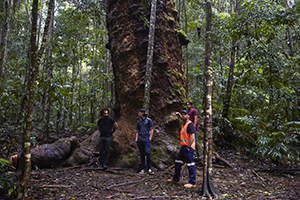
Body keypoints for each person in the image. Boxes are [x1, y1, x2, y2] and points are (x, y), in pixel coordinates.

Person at [168, 110, 196, 188]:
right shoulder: (184, 124)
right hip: (183, 147)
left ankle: (192, 182)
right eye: (182, 114)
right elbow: (182, 118)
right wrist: (178, 114)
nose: (183, 116)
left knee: (190, 164)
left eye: (185, 114)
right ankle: (176, 179)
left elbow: (192, 136)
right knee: (178, 162)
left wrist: (188, 146)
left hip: (188, 148)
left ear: (188, 116)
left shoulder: (189, 124)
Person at [135, 108, 154, 175]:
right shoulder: (139, 122)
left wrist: (150, 138)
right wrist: (136, 139)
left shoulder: (149, 121)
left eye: (139, 113)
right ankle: (143, 168)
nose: (138, 114)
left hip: (146, 139)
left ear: (142, 113)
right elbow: (137, 131)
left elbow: (151, 129)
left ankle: (149, 168)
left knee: (147, 153)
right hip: (140, 139)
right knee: (142, 154)